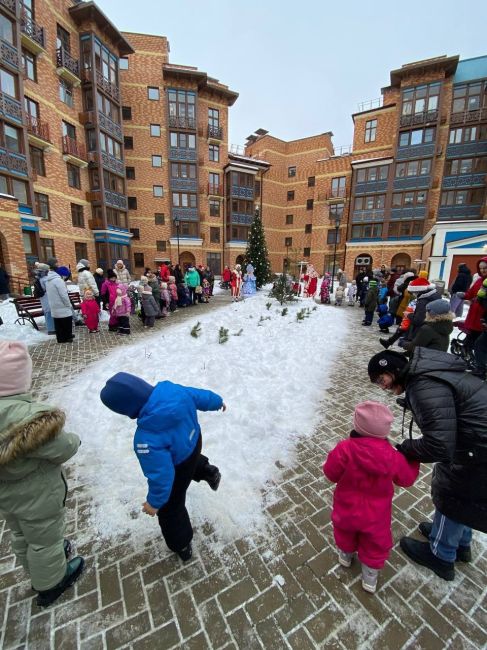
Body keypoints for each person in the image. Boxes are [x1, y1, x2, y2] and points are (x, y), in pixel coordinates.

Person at [367, 348, 487, 581]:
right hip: (477, 439)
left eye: (383, 380)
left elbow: (439, 445)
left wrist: (405, 448)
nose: (383, 387)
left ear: (396, 370)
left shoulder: (422, 387)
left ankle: (441, 554)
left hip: (478, 445)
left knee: (453, 492)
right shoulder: (426, 373)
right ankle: (460, 544)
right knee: (466, 494)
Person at [100, 372, 225, 561]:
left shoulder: (146, 440)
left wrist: (155, 503)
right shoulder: (173, 390)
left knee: (171, 508)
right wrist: (217, 401)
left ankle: (181, 543)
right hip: (193, 441)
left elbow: (162, 476)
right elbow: (199, 395)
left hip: (179, 460)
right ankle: (207, 470)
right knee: (190, 459)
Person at [0, 341, 84, 606]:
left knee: (21, 534)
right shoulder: (29, 418)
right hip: (37, 495)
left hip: (7, 495)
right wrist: (75, 440)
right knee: (44, 540)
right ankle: (51, 583)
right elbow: (62, 448)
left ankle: (36, 569)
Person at [323, 401, 419, 593]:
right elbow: (406, 479)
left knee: (344, 531)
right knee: (375, 542)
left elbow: (330, 473)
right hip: (376, 514)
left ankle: (345, 555)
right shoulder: (393, 456)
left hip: (346, 508)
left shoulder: (344, 449)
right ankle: (370, 577)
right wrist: (413, 460)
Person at [455, 257, 487, 353]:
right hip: (474, 315)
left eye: (485, 268)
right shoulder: (479, 281)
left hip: (483, 318)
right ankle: (468, 356)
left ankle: (476, 361)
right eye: (480, 268)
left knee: (478, 342)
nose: (482, 270)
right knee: (471, 338)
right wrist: (465, 295)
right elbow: (471, 293)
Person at [45, 257, 74, 343]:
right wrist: (68, 304)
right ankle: (68, 337)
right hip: (62, 305)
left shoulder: (48, 280)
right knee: (66, 321)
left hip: (54, 305)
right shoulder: (58, 280)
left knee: (58, 323)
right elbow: (63, 295)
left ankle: (60, 338)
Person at [33, 263, 55, 335]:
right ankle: (51, 329)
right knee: (49, 313)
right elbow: (49, 288)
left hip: (43, 298)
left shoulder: (39, 278)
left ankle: (51, 328)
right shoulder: (45, 279)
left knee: (47, 313)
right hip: (47, 298)